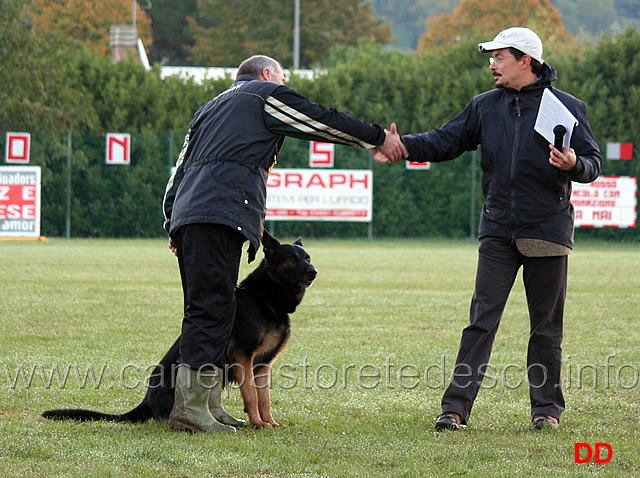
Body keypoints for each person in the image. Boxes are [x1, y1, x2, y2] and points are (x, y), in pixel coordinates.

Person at [161, 54, 406, 433]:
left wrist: (173, 220)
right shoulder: (264, 95)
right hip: (219, 214)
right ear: (266, 74)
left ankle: (209, 406)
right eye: (282, 79)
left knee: (215, 309)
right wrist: (378, 137)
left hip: (194, 217)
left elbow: (180, 168)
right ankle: (190, 411)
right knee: (210, 311)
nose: (285, 87)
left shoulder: (210, 107)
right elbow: (320, 119)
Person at [376, 27, 602, 430]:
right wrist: (404, 145)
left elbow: (592, 163)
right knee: (480, 322)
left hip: (547, 230)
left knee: (546, 328)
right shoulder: (484, 106)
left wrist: (573, 165)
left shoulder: (566, 106)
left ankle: (546, 410)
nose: (492, 64)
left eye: (499, 57)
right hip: (497, 228)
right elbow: (446, 141)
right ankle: (455, 409)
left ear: (526, 61)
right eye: (492, 57)